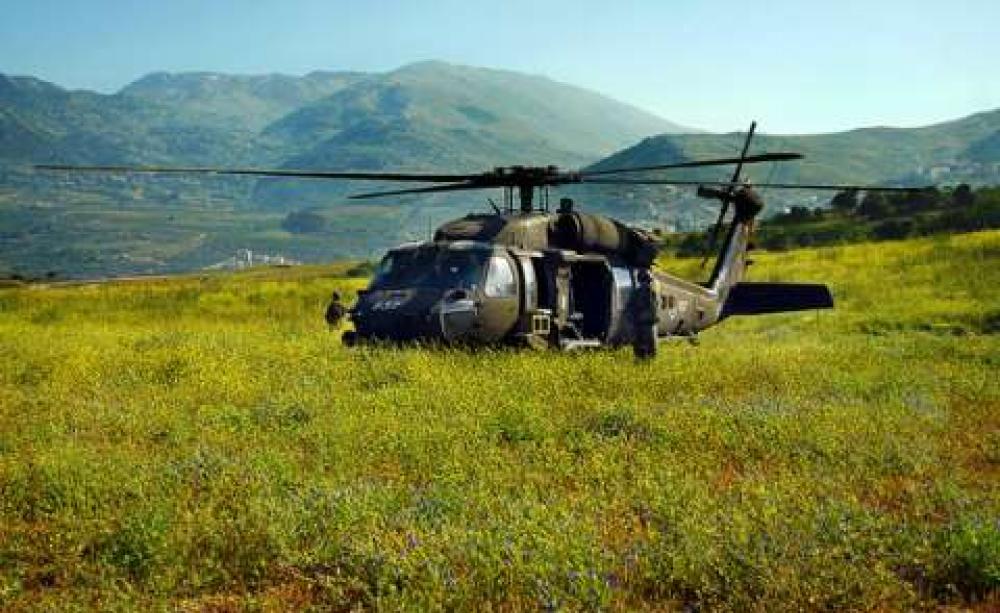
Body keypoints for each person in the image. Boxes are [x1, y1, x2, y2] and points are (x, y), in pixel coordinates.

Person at [632, 269, 659, 360]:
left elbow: (635, 306)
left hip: (642, 321)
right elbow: (654, 306)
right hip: (648, 322)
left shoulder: (638, 292)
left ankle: (642, 359)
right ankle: (647, 360)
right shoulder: (651, 291)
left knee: (641, 344)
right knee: (650, 345)